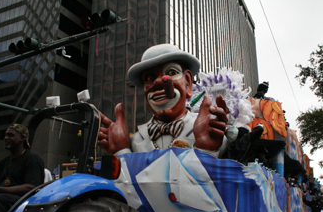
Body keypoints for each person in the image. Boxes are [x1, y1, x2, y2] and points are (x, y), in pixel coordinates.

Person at [97, 44, 228, 157]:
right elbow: (127, 185)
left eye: (171, 72)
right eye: (149, 77)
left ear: (187, 83)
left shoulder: (213, 135)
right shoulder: (133, 142)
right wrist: (120, 150)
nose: (159, 81)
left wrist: (207, 151)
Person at [0, 124, 44, 212]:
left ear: (22, 138)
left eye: (10, 135)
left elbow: (31, 188)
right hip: (0, 199)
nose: (6, 138)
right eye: (5, 135)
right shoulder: (4, 162)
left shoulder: (32, 158)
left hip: (22, 203)